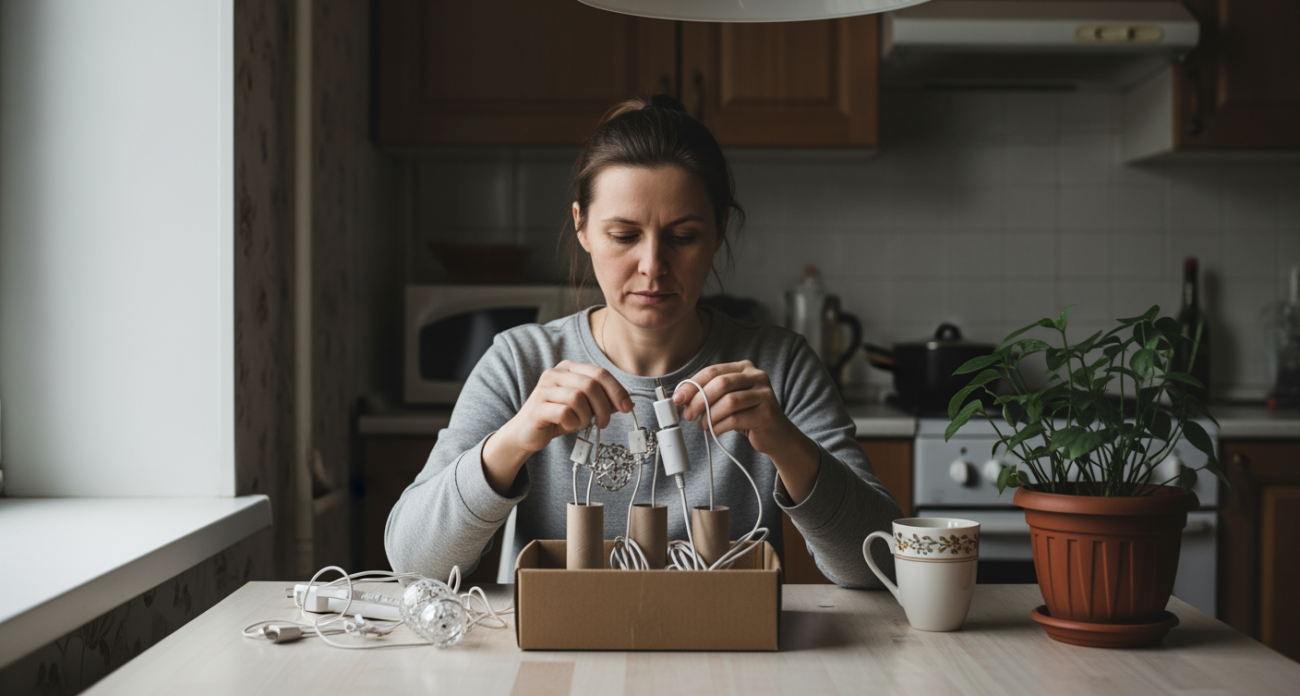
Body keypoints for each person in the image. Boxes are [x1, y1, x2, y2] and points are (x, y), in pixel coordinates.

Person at [386, 95, 900, 587]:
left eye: (682, 236)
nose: (653, 266)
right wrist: (516, 438)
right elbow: (414, 561)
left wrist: (788, 445)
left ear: (720, 230)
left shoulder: (778, 366)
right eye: (624, 235)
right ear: (582, 227)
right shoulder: (520, 363)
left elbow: (879, 564)